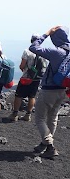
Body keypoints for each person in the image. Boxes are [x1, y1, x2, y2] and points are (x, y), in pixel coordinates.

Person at [29, 25, 69, 158]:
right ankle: (44, 145)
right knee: (52, 117)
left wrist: (46, 33)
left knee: (40, 118)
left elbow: (33, 47)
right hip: (63, 90)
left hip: (49, 90)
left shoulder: (57, 52)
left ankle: (50, 146)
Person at [8, 34, 48, 122]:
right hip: (37, 78)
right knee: (32, 96)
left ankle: (15, 114)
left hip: (26, 78)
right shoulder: (43, 52)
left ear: (31, 40)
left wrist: (25, 70)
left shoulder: (27, 51)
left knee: (18, 95)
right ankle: (28, 115)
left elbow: (22, 65)